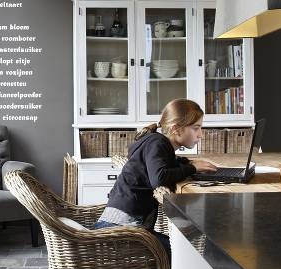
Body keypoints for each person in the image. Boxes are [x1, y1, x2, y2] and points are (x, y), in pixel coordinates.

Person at [93, 99, 217, 254]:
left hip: (120, 226)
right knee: (184, 253)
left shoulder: (157, 143)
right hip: (120, 230)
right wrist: (192, 168)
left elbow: (165, 164)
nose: (201, 135)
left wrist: (187, 162)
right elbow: (159, 177)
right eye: (196, 128)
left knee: (183, 250)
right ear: (176, 129)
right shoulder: (157, 143)